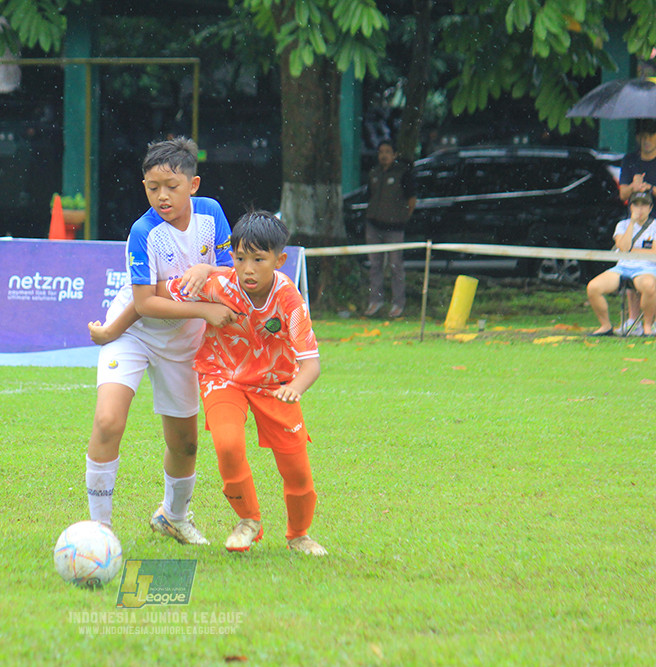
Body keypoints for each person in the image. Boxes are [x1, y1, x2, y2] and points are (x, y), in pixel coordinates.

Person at [83, 136, 235, 545]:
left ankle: (173, 517)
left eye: (172, 186)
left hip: (183, 343)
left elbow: (231, 271)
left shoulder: (211, 214)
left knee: (186, 444)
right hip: (133, 335)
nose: (162, 196)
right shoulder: (143, 231)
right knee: (107, 421)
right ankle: (100, 530)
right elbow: (145, 302)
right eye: (153, 188)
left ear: (193, 184)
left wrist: (207, 271)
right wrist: (203, 309)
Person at [161, 210, 327, 556]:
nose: (247, 269)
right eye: (239, 259)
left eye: (258, 259)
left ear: (280, 260)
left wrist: (295, 387)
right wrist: (204, 270)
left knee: (297, 472)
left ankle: (299, 535)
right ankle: (248, 520)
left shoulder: (289, 299)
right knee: (227, 445)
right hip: (222, 376)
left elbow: (311, 363)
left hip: (276, 386)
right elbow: (158, 293)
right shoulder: (220, 284)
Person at [586, 190, 656, 336]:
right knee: (593, 287)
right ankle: (606, 326)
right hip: (623, 267)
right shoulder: (622, 225)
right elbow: (623, 247)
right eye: (636, 205)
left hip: (647, 268)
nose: (640, 209)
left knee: (649, 286)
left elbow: (654, 252)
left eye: (644, 205)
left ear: (650, 208)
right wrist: (632, 223)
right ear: (631, 207)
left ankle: (647, 326)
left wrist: (631, 250)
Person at [363, 140, 416, 319]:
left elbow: (411, 199)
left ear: (394, 155)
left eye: (387, 152)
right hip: (373, 226)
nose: (384, 155)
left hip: (394, 228)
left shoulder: (403, 174)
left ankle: (398, 303)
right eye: (381, 152)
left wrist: (402, 217)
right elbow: (369, 196)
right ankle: (375, 301)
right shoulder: (374, 173)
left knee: (395, 266)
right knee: (375, 265)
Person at [614, 119, 656, 334]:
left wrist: (650, 189)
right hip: (634, 219)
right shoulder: (630, 160)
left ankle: (650, 320)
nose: (647, 140)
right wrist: (634, 187)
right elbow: (623, 193)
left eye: (651, 136)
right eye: (643, 136)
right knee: (631, 263)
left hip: (654, 221)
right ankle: (633, 319)